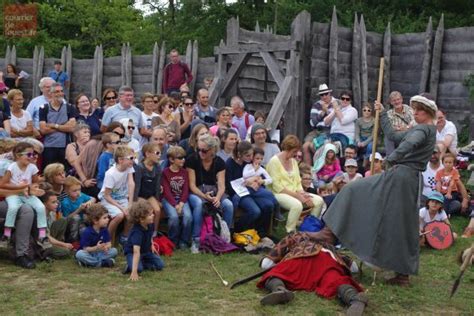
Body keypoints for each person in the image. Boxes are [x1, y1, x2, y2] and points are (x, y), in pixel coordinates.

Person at [323, 94, 438, 286]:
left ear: (427, 113)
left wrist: (391, 158)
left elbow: (409, 144)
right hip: (403, 177)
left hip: (402, 177)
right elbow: (394, 136)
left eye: (419, 110)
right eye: (415, 108)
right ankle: (401, 273)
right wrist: (383, 114)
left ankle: (331, 232)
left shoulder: (424, 130)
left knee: (356, 192)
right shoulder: (420, 128)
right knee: (399, 222)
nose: (415, 112)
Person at [256, 232, 367, 314]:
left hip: (301, 255)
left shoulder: (294, 236)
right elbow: (354, 268)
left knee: (276, 273)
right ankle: (353, 298)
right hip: (326, 258)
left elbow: (266, 264)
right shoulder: (327, 245)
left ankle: (279, 290)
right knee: (335, 280)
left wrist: (278, 262)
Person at [266, 135, 325, 233]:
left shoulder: (293, 161)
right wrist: (298, 196)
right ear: (287, 149)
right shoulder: (274, 161)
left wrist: (303, 194)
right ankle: (290, 231)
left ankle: (308, 228)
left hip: (295, 192)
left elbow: (298, 182)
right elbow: (278, 187)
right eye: (294, 151)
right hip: (278, 193)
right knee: (297, 205)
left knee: (318, 201)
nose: (295, 154)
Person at [186, 134, 234, 253]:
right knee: (199, 204)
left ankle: (223, 236)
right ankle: (196, 239)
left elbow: (222, 185)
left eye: (204, 150)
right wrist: (204, 196)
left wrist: (218, 198)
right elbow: (191, 185)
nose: (200, 152)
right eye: (199, 149)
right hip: (197, 191)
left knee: (228, 205)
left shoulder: (219, 162)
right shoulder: (192, 160)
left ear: (212, 150)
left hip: (215, 190)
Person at [0, 142, 47, 246]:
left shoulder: (33, 168)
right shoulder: (11, 167)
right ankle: (6, 235)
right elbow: (2, 184)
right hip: (14, 195)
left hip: (27, 194)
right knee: (14, 208)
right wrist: (20, 187)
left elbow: (34, 183)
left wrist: (35, 189)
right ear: (18, 155)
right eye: (29, 154)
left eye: (34, 154)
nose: (32, 157)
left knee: (41, 207)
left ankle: (43, 235)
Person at [225, 141, 274, 236]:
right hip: (241, 193)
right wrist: (247, 183)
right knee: (255, 211)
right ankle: (239, 230)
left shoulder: (250, 161)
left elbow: (261, 173)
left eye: (252, 155)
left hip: (254, 191)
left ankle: (262, 232)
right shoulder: (230, 164)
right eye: (247, 156)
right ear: (239, 154)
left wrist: (259, 181)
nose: (251, 158)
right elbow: (230, 186)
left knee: (268, 205)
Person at [98, 145, 135, 241]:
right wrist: (122, 208)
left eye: (134, 157)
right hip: (108, 200)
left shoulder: (129, 167)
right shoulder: (111, 174)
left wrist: (130, 204)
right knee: (119, 215)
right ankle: (107, 239)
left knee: (131, 214)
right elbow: (106, 195)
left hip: (122, 198)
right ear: (121, 160)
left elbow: (131, 184)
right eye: (131, 158)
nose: (133, 160)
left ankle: (124, 237)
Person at [124, 199, 165, 281]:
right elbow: (136, 251)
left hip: (146, 252)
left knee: (160, 265)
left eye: (152, 213)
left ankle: (140, 263)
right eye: (150, 215)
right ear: (141, 219)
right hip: (133, 253)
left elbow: (149, 236)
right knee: (139, 269)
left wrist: (152, 244)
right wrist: (134, 272)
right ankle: (131, 266)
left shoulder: (150, 224)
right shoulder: (136, 232)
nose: (153, 215)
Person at [39, 82, 77, 168]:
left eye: (61, 91)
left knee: (65, 172)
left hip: (65, 146)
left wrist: (54, 125)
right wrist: (64, 125)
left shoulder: (69, 107)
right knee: (49, 172)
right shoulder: (44, 108)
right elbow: (43, 130)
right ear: (50, 93)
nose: (60, 93)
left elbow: (72, 128)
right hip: (49, 147)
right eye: (56, 91)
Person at [161, 146, 192, 248]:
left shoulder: (184, 172)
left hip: (182, 200)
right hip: (169, 200)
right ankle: (173, 241)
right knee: (173, 217)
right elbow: (166, 191)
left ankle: (184, 240)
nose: (183, 160)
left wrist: (182, 203)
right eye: (180, 158)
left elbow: (186, 189)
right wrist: (175, 205)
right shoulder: (165, 172)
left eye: (184, 157)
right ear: (171, 159)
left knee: (188, 217)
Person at [133, 143, 163, 236]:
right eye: (157, 153)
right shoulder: (140, 168)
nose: (159, 156)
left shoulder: (157, 167)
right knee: (148, 210)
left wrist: (157, 200)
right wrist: (134, 200)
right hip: (140, 195)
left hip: (150, 195)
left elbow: (157, 185)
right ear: (147, 154)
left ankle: (154, 233)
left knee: (157, 210)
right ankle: (141, 232)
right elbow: (137, 185)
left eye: (160, 153)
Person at [303, 83, 336, 164]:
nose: (324, 97)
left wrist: (327, 112)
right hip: (316, 130)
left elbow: (334, 119)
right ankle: (308, 171)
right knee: (305, 146)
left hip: (328, 130)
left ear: (329, 93)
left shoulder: (336, 103)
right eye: (322, 95)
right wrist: (322, 113)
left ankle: (321, 166)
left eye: (326, 94)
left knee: (313, 146)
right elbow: (312, 123)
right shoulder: (317, 105)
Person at [40, 190, 75, 258]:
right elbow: (45, 237)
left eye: (57, 202)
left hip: (51, 241)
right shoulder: (40, 217)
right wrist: (63, 244)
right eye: (53, 202)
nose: (56, 204)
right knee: (65, 252)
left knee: (63, 220)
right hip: (42, 243)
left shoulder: (52, 213)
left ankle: (58, 246)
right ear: (44, 204)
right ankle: (43, 253)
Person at [60, 176, 95, 241]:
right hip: (71, 225)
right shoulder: (65, 202)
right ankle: (73, 240)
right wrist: (79, 209)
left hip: (82, 222)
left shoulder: (81, 195)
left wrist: (88, 203)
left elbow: (93, 199)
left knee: (83, 231)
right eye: (74, 191)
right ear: (66, 191)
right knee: (76, 217)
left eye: (79, 189)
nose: (78, 192)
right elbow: (67, 218)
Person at [384, 91, 414, 155]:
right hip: (396, 136)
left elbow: (415, 122)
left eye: (398, 99)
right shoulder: (389, 114)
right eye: (394, 100)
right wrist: (397, 129)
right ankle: (390, 159)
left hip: (408, 135)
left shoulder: (409, 109)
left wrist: (406, 127)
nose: (397, 102)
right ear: (391, 102)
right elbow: (388, 128)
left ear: (402, 99)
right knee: (388, 137)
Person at [354, 102, 374, 166]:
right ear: (362, 111)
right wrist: (358, 141)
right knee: (354, 145)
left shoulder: (374, 121)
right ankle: (355, 160)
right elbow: (357, 133)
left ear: (371, 111)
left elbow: (373, 135)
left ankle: (366, 160)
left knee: (370, 146)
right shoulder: (358, 121)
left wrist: (364, 143)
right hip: (361, 138)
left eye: (369, 110)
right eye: (364, 110)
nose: (366, 112)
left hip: (369, 139)